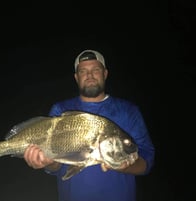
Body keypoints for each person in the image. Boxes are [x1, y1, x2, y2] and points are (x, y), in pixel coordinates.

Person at [23, 49, 155, 201]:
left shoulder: (128, 110)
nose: (90, 76)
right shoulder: (60, 110)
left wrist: (126, 166)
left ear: (105, 74)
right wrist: (48, 163)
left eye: (95, 70)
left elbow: (146, 161)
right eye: (83, 71)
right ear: (76, 77)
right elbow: (56, 166)